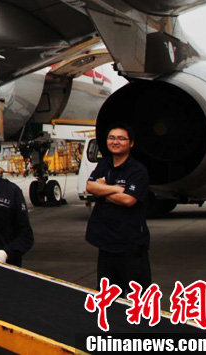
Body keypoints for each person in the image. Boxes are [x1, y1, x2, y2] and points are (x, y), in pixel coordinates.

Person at [84, 123, 151, 293]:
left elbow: (128, 200)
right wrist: (115, 189)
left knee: (136, 296)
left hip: (130, 244)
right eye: (112, 138)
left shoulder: (137, 170)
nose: (115, 142)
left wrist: (103, 190)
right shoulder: (104, 164)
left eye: (121, 138)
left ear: (131, 143)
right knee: (107, 295)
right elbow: (90, 187)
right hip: (106, 242)